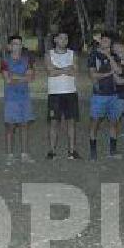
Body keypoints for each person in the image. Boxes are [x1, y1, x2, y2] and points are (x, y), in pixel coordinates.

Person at [45, 32, 81, 160]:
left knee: (71, 122)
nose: (64, 40)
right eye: (61, 38)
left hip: (70, 92)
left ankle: (72, 151)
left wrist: (58, 69)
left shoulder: (72, 54)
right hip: (54, 93)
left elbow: (75, 71)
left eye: (66, 38)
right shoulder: (49, 54)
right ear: (55, 39)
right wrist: (67, 69)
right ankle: (52, 151)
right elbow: (50, 72)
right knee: (54, 122)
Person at [1, 35, 36, 164]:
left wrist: (15, 76)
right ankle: (9, 155)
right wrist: (22, 77)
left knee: (24, 125)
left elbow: (30, 78)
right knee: (10, 127)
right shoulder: (5, 61)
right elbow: (8, 80)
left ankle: (24, 154)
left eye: (19, 44)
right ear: (9, 46)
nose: (17, 46)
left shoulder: (27, 60)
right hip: (11, 99)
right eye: (14, 44)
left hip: (24, 98)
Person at [88, 32, 122, 160]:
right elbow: (93, 75)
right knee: (95, 123)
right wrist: (109, 73)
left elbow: (118, 71)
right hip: (99, 95)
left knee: (114, 123)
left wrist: (108, 55)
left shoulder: (114, 56)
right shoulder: (93, 56)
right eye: (103, 40)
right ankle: (93, 152)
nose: (105, 43)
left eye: (108, 41)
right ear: (100, 42)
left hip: (114, 95)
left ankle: (112, 151)